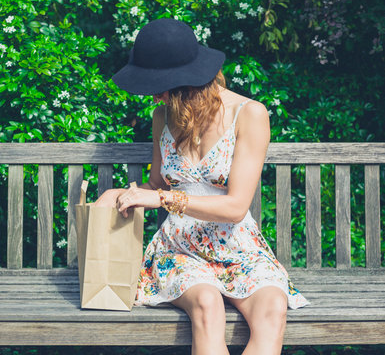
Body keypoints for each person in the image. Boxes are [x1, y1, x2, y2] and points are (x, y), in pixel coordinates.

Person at [96, 18, 309, 355]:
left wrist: (162, 198)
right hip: (180, 248)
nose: (155, 95)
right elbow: (156, 183)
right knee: (208, 306)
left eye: (161, 87)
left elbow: (236, 207)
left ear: (185, 83)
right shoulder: (162, 117)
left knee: (272, 309)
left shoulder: (250, 115)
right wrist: (120, 193)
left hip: (239, 247)